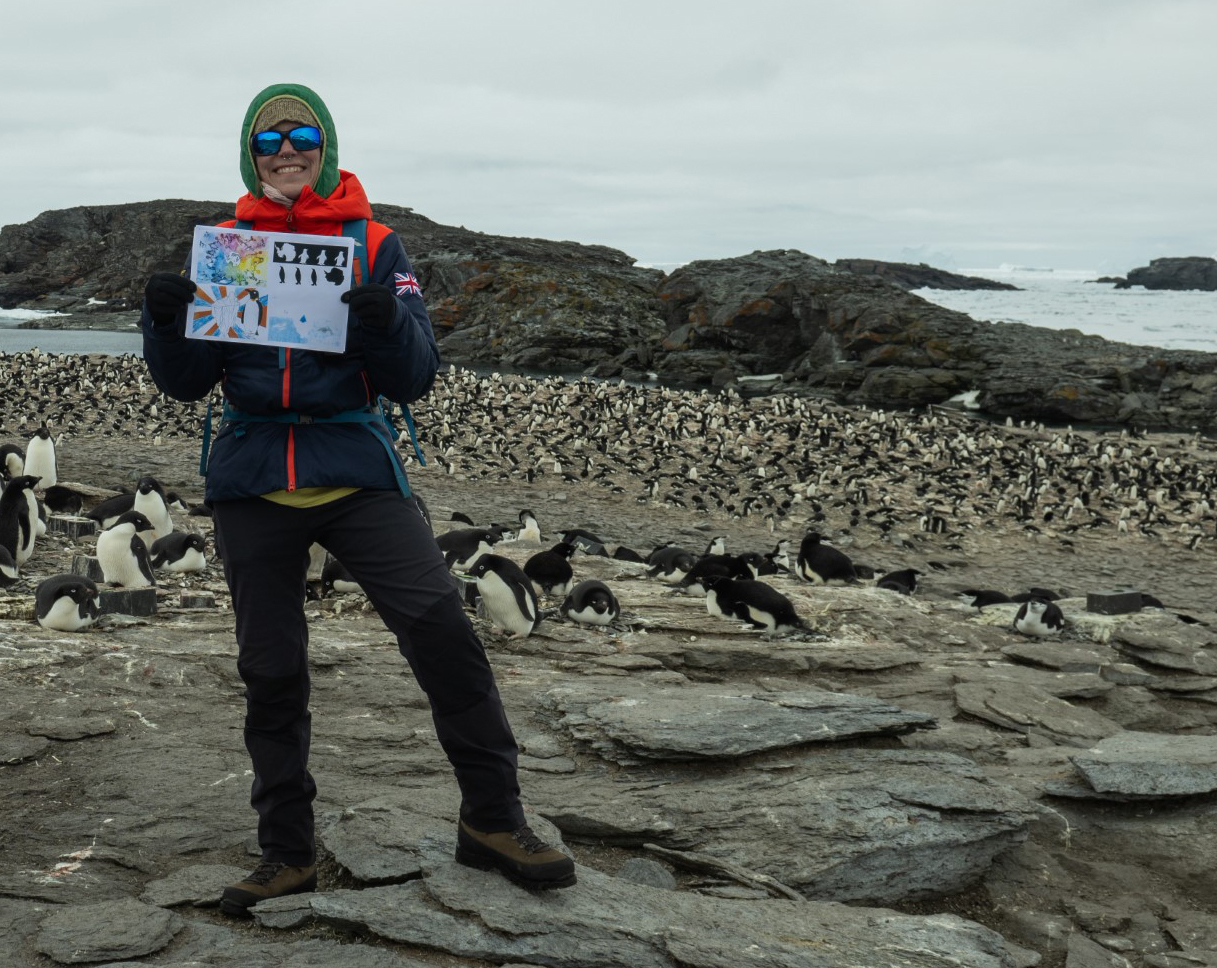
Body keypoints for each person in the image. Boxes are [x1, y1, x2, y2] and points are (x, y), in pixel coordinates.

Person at [141, 83, 575, 917]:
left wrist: (383, 323)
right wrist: (164, 323)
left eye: (301, 134)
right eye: (268, 141)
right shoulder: (226, 248)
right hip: (253, 474)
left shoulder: (374, 243)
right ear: (250, 154)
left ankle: (492, 819)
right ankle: (286, 852)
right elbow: (185, 384)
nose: (286, 150)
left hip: (355, 466)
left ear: (326, 144)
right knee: (270, 670)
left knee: (442, 629)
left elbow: (414, 376)